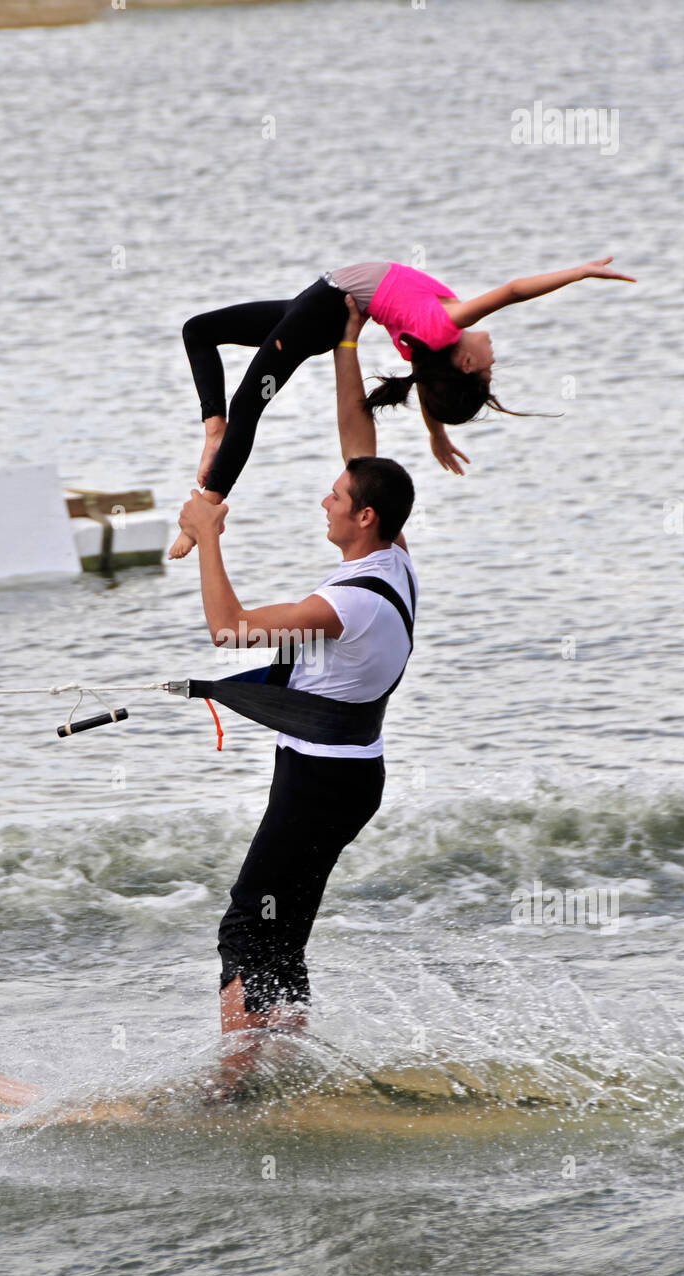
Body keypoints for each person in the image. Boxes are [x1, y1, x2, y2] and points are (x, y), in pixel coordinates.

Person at [177, 296, 416, 1035]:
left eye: (338, 498)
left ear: (363, 518)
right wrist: (346, 344)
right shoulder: (395, 558)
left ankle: (235, 1085)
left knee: (248, 925)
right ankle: (282, 1060)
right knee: (283, 928)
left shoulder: (345, 603)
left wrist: (207, 533)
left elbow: (230, 631)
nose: (326, 498)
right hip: (344, 774)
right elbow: (358, 441)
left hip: (319, 779)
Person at [170, 253, 634, 559]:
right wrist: (436, 434)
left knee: (249, 402)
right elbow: (430, 379)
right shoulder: (426, 346)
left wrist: (579, 273)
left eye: (488, 369)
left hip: (324, 310)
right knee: (199, 330)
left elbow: (512, 290)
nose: (494, 358)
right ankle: (215, 430)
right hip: (317, 305)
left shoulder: (448, 324)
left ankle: (209, 503)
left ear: (467, 361)